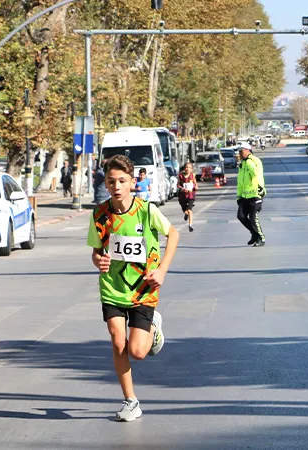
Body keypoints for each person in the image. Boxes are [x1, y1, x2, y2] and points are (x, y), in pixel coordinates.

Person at [87, 154, 180, 422]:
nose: (116, 186)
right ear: (105, 182)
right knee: (118, 342)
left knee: (137, 351)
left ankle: (154, 327)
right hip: (113, 288)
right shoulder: (100, 214)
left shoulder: (146, 210)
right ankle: (130, 401)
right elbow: (96, 252)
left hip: (143, 288)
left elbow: (173, 234)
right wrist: (99, 260)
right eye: (111, 181)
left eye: (122, 181)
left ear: (131, 183)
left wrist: (161, 269)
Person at [236, 142, 266, 246]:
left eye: (241, 151)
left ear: (248, 150)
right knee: (241, 216)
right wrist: (239, 195)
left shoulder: (254, 161)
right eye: (239, 151)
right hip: (245, 195)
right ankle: (254, 233)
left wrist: (248, 161)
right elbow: (240, 181)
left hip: (255, 193)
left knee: (253, 217)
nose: (239, 153)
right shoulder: (242, 163)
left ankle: (261, 238)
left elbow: (255, 174)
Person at [178, 162, 198, 232]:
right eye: (186, 167)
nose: (187, 169)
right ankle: (186, 214)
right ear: (184, 168)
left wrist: (196, 187)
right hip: (182, 196)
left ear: (191, 169)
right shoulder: (181, 176)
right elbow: (178, 185)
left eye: (189, 168)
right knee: (185, 211)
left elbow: (195, 184)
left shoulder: (192, 176)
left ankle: (190, 225)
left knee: (190, 210)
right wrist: (182, 189)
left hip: (190, 195)